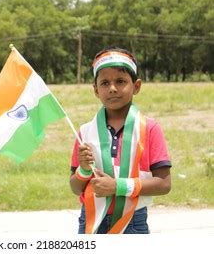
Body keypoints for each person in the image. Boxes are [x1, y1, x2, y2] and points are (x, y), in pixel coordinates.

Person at [69, 47, 172, 234]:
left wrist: (117, 186)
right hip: (92, 220)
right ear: (96, 90)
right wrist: (83, 170)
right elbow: (76, 188)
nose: (113, 88)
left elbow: (164, 184)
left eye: (121, 81)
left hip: (132, 221)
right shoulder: (85, 132)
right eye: (105, 83)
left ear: (137, 86)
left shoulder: (149, 129)